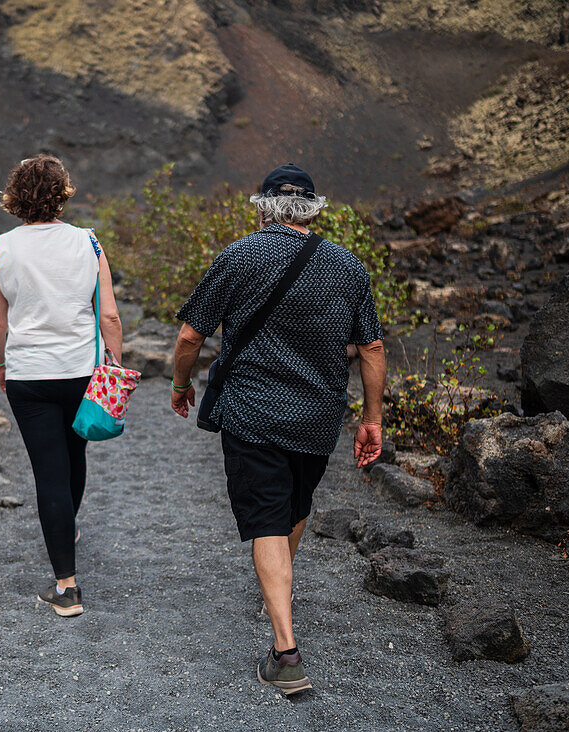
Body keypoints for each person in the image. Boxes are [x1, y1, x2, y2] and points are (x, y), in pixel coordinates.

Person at [170, 163, 386, 694]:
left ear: (263, 207)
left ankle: (286, 652)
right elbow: (372, 349)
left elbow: (190, 336)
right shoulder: (349, 267)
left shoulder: (240, 255)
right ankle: (277, 592)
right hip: (317, 416)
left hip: (252, 413)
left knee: (268, 515)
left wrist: (180, 384)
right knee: (293, 509)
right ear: (313, 209)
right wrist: (372, 418)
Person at [0, 155, 124, 617]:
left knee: (49, 471)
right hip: (81, 371)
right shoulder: (89, 242)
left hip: (30, 375)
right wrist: (114, 369)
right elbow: (108, 314)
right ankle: (68, 527)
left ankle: (67, 587)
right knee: (74, 455)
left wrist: (1, 364)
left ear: (16, 195)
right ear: (62, 193)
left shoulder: (0, 247)